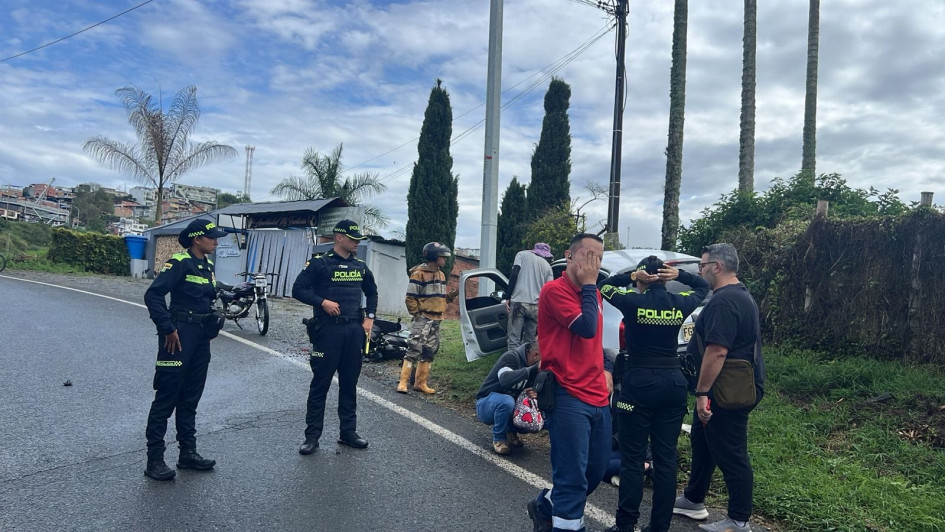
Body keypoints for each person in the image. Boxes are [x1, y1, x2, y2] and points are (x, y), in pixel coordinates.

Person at [598, 256, 709, 532]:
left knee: (633, 459)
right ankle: (659, 527)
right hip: (672, 385)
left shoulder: (633, 301)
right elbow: (703, 287)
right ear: (664, 277)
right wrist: (679, 275)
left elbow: (604, 286)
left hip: (639, 385)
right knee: (666, 459)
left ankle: (625, 526)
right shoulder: (679, 302)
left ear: (642, 280)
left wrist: (632, 278)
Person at [673, 243, 766, 532]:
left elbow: (717, 352)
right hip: (729, 386)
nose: (700, 271)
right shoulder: (738, 294)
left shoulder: (725, 302)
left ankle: (739, 520)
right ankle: (693, 498)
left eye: (702, 266)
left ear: (717, 267)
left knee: (731, 452)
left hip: (726, 391)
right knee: (703, 439)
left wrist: (702, 394)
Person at [527, 233, 614, 532]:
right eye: (588, 255)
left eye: (599, 258)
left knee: (594, 471)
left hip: (598, 396)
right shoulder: (555, 291)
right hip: (567, 394)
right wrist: (590, 283)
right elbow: (587, 328)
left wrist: (608, 368)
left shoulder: (596, 296)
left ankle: (546, 505)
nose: (594, 263)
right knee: (572, 478)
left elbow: (596, 343)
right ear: (569, 255)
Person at [142, 218, 227, 481]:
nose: (216, 240)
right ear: (197, 239)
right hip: (178, 335)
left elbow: (208, 296)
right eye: (212, 237)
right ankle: (154, 459)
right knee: (167, 396)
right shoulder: (178, 262)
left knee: (191, 397)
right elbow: (153, 295)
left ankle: (187, 452)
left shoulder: (207, 266)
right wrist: (167, 328)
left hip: (201, 337)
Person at [293, 220, 379, 454]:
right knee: (320, 384)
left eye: (358, 240)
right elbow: (298, 289)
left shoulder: (360, 266)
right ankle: (312, 437)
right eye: (352, 239)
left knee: (349, 384)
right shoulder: (319, 264)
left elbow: (371, 292)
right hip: (327, 332)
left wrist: (370, 317)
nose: (356, 243)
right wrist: (322, 302)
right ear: (338, 237)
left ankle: (348, 432)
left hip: (353, 331)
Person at [397, 242, 457, 394]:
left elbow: (442, 299)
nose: (444, 260)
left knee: (430, 351)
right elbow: (410, 297)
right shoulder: (419, 273)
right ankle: (403, 382)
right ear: (433, 257)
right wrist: (417, 314)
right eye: (442, 257)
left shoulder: (441, 275)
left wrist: (453, 294)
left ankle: (420, 383)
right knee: (414, 347)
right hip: (423, 317)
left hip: (437, 319)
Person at [474, 342, 541, 455]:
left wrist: (537, 392)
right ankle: (499, 438)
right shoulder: (511, 357)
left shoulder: (537, 367)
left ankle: (510, 432)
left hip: (511, 406)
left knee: (535, 412)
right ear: (535, 355)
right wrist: (532, 370)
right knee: (506, 402)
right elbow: (505, 379)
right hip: (486, 404)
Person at [504, 243, 554, 351]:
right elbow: (549, 290)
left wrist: (508, 296)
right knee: (530, 342)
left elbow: (514, 274)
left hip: (519, 302)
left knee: (514, 340)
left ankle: (513, 366)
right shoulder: (548, 267)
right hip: (536, 307)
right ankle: (527, 366)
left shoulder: (521, 255)